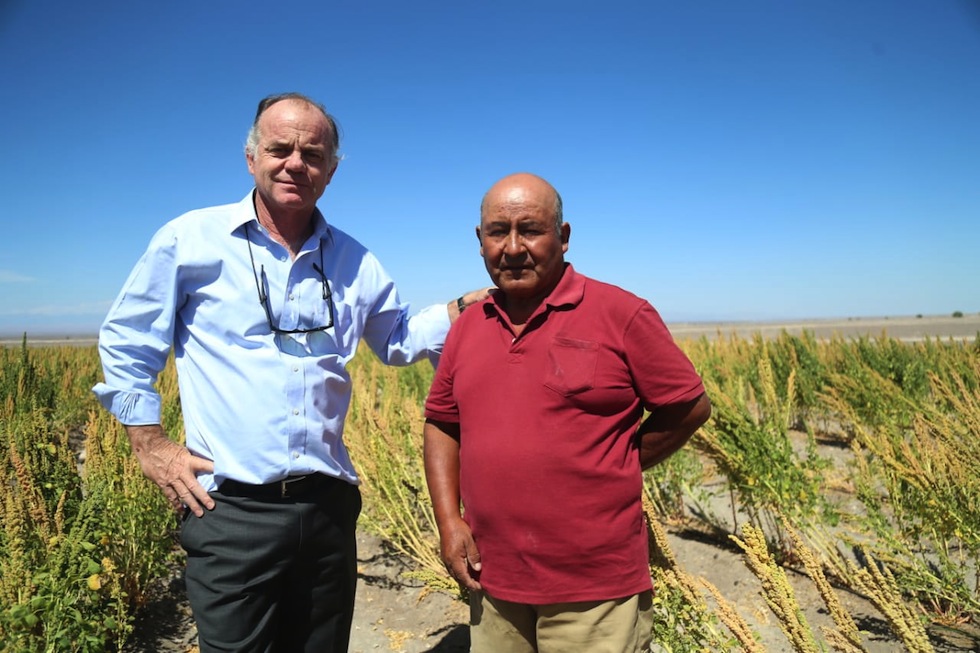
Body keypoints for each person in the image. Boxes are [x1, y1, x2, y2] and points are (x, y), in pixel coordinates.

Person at [93, 92, 488, 653]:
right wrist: (149, 442)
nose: (295, 163)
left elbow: (397, 339)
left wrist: (464, 309)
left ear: (331, 170)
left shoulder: (355, 260)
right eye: (280, 148)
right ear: (251, 157)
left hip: (327, 509)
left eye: (313, 153)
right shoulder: (191, 240)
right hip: (229, 510)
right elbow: (129, 340)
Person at [423, 172, 712, 653]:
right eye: (498, 232)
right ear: (480, 242)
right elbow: (442, 422)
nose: (513, 247)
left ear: (563, 236)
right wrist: (449, 521)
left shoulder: (621, 313)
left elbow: (686, 407)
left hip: (595, 591)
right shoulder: (468, 327)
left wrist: (619, 459)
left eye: (530, 229)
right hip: (493, 581)